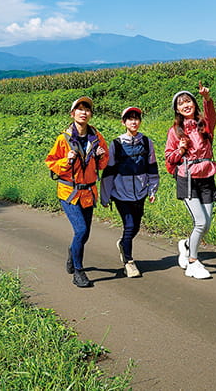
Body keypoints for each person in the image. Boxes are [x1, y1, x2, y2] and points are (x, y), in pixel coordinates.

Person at [45, 96, 109, 288]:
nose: (83, 112)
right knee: (80, 230)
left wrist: (101, 156)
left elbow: (104, 163)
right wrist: (67, 160)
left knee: (85, 234)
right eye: (79, 109)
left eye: (87, 109)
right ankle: (79, 272)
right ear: (72, 114)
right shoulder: (63, 139)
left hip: (88, 192)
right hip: (69, 192)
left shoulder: (96, 138)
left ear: (90, 114)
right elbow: (51, 163)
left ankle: (72, 253)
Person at [164, 82, 216, 280]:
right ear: (177, 110)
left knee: (207, 223)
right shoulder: (175, 131)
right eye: (181, 104)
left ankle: (186, 245)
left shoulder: (204, 124)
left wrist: (207, 99)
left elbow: (212, 115)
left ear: (194, 103)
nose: (186, 105)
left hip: (207, 175)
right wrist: (179, 149)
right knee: (200, 222)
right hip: (187, 178)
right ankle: (193, 263)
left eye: (188, 101)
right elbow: (169, 158)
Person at [101, 107, 160, 278]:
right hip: (120, 193)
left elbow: (152, 167)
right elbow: (109, 171)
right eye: (130, 119)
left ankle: (123, 244)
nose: (133, 122)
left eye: (136, 118)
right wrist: (105, 196)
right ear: (123, 122)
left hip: (140, 192)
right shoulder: (116, 144)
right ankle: (129, 262)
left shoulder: (147, 142)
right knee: (129, 226)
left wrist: (152, 189)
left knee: (136, 227)